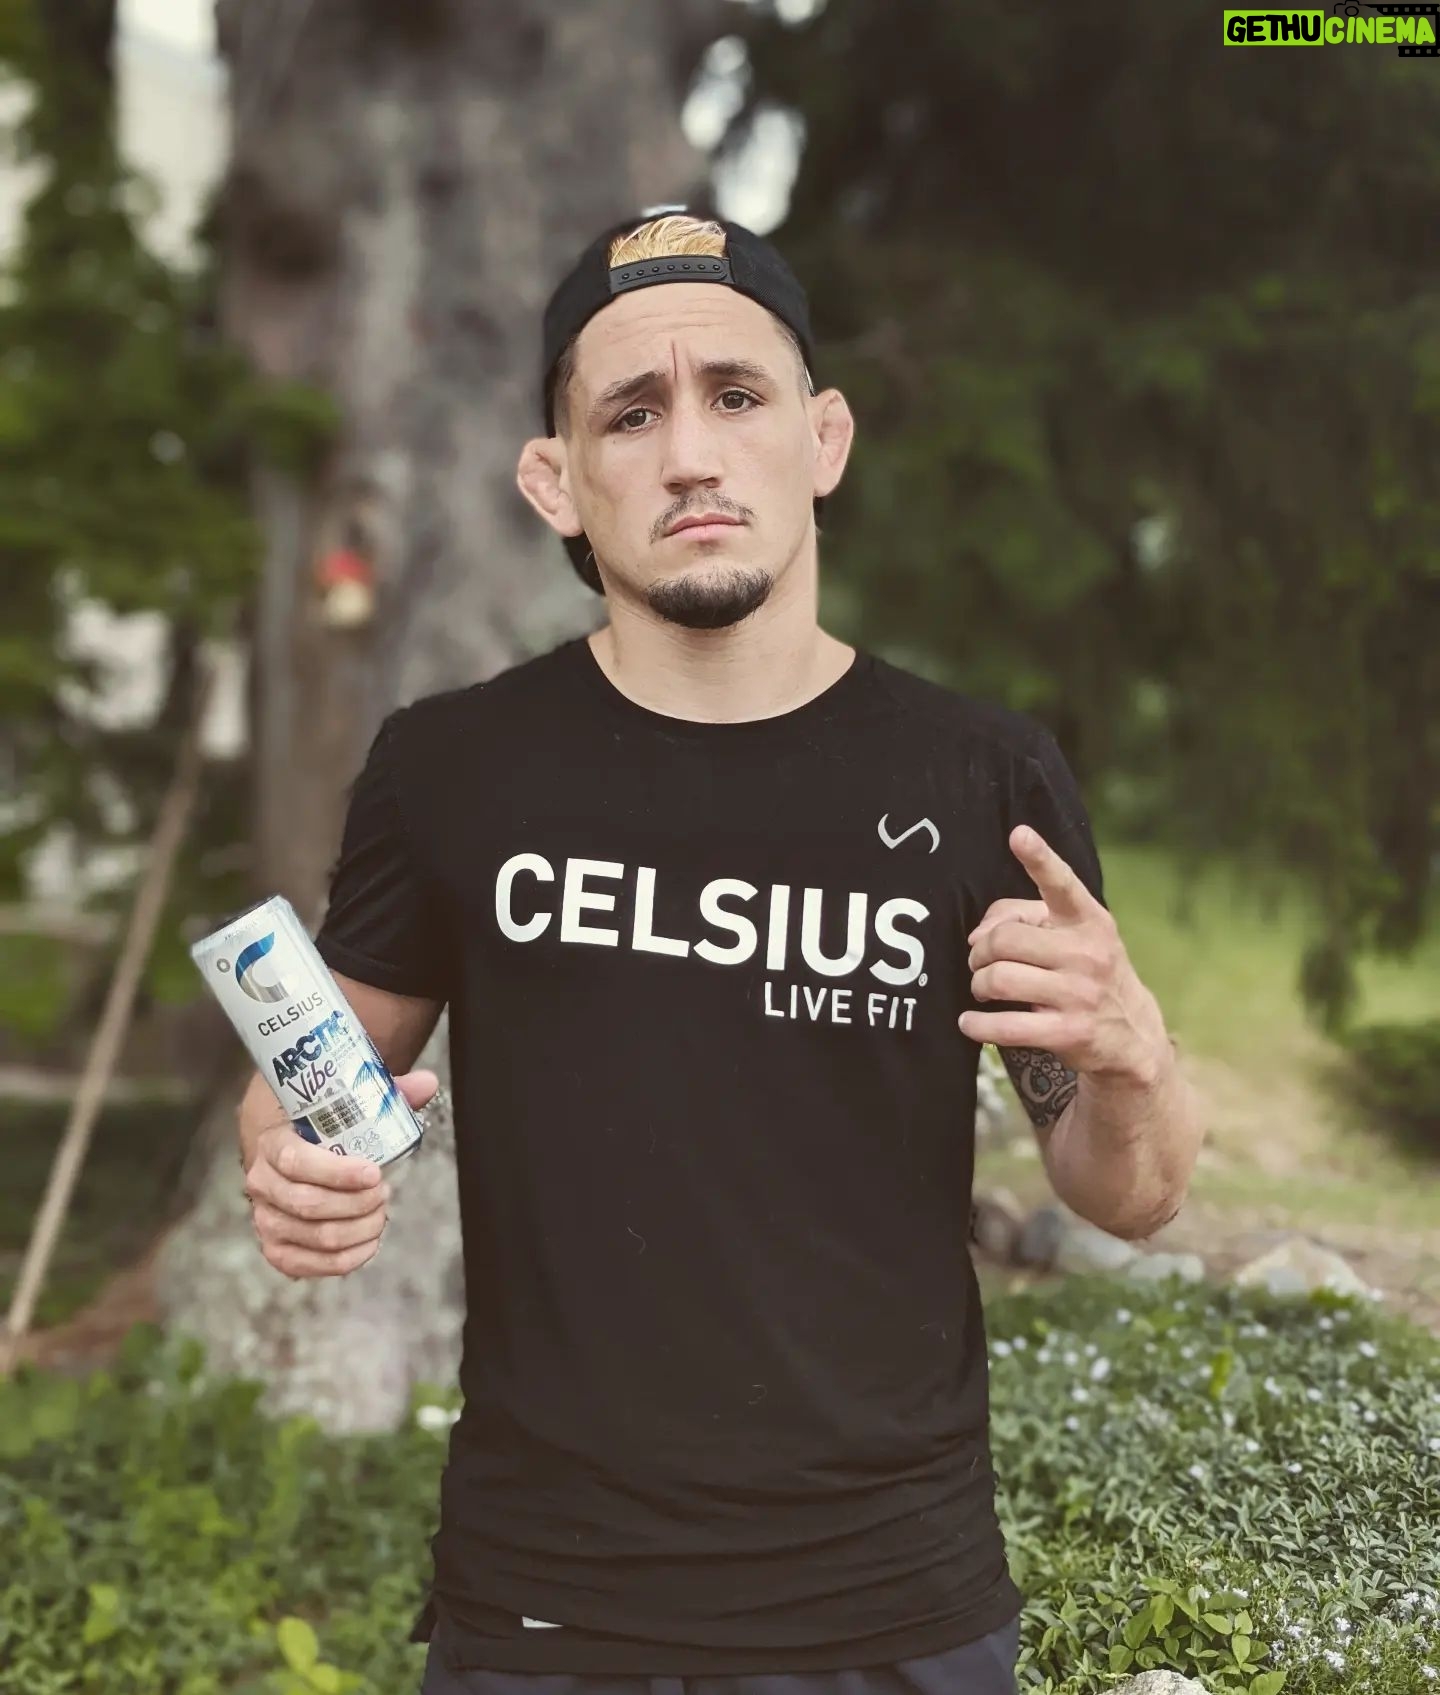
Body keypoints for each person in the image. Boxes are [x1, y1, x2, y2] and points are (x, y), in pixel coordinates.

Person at [235, 210, 1204, 1695]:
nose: (691, 454)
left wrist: (1130, 1059)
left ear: (824, 438)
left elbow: (1129, 1196)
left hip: (893, 1607)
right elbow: (312, 1084)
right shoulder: (451, 768)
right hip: (545, 1606)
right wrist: (293, 1163)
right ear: (554, 480)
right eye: (632, 413)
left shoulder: (982, 778)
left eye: (736, 395)